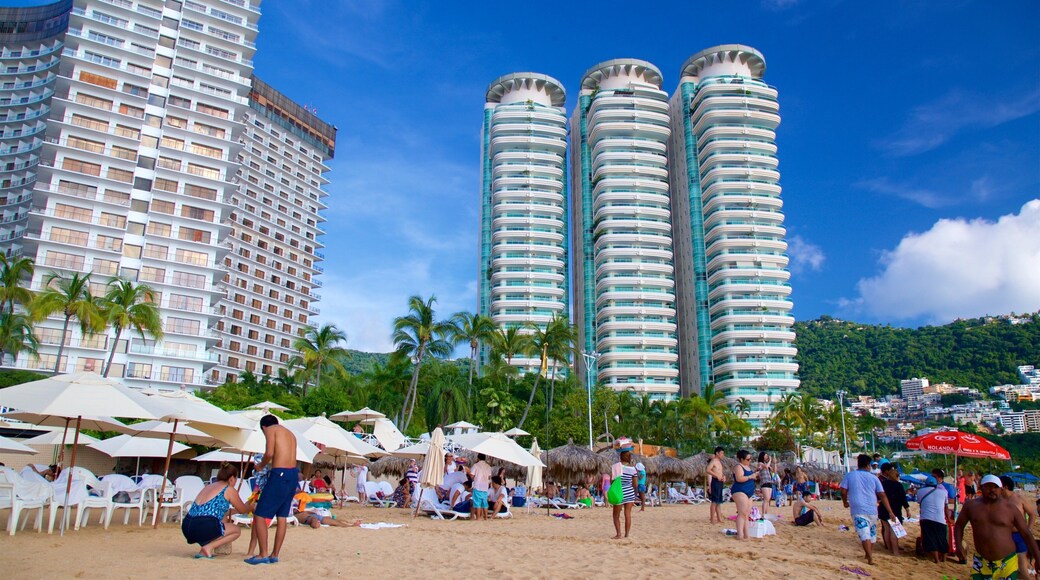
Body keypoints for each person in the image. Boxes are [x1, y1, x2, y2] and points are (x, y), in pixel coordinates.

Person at [955, 475, 1040, 579]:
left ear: (1001, 489)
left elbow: (1026, 534)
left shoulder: (1010, 509)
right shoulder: (971, 506)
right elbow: (959, 525)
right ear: (981, 488)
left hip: (1007, 562)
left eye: (995, 487)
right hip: (981, 561)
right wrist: (958, 545)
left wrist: (1038, 558)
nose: (992, 490)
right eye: (988, 487)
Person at [246, 414, 299, 566]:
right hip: (293, 474)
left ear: (263, 427)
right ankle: (274, 554)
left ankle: (263, 554)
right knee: (282, 516)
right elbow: (283, 455)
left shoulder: (270, 430)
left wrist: (260, 466)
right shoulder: (290, 434)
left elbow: (269, 453)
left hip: (280, 474)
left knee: (260, 514)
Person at [181, 464, 251, 559]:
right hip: (204, 525)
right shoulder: (229, 489)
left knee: (223, 519)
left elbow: (215, 512)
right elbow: (243, 510)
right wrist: (251, 507)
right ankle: (208, 548)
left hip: (187, 526)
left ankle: (206, 548)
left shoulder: (209, 486)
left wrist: (235, 511)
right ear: (231, 478)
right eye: (236, 479)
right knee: (236, 531)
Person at [840, 454, 895, 565]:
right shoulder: (874, 478)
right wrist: (890, 511)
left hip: (858, 508)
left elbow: (843, 490)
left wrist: (845, 502)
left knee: (864, 534)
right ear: (868, 465)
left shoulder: (850, 476)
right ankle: (868, 554)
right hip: (872, 509)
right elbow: (882, 495)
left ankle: (869, 557)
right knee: (871, 534)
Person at [1000, 476, 1039, 575]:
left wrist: (1028, 529)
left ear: (1005, 487)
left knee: (1022, 559)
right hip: (1005, 535)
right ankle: (1030, 573)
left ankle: (1028, 575)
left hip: (1019, 534)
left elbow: (1032, 514)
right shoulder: (999, 500)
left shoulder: (1019, 498)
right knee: (1007, 559)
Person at [916, 475, 951, 563]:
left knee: (931, 539)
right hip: (940, 519)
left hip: (926, 518)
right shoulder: (944, 492)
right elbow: (946, 507)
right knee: (942, 539)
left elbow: (921, 504)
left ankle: (936, 560)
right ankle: (944, 559)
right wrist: (948, 519)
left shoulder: (920, 491)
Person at [878, 462, 910, 555]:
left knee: (887, 530)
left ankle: (888, 549)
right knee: (894, 531)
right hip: (894, 510)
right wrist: (907, 510)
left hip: (883, 509)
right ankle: (895, 551)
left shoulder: (883, 484)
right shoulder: (898, 485)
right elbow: (903, 499)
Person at [610, 446, 638, 539]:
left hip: (619, 492)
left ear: (620, 456)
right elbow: (635, 484)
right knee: (628, 514)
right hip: (630, 492)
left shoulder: (616, 466)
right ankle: (627, 534)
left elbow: (612, 482)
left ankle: (618, 534)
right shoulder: (633, 468)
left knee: (616, 515)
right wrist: (633, 492)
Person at [731, 449, 759, 540]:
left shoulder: (748, 467)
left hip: (749, 492)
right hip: (740, 490)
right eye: (748, 459)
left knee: (746, 514)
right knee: (742, 513)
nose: (749, 460)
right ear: (742, 459)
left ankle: (747, 535)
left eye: (750, 459)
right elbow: (739, 478)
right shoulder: (738, 466)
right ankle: (740, 534)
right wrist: (750, 476)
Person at [707, 446, 726, 524]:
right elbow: (708, 469)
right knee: (714, 501)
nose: (723, 455)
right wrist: (716, 476)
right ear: (717, 453)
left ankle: (719, 518)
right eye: (722, 453)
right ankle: (712, 519)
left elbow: (720, 472)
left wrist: (723, 477)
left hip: (720, 482)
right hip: (715, 482)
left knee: (718, 501)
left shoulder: (719, 462)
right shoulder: (713, 461)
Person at [471, 453, 492, 521]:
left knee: (477, 503)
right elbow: (489, 477)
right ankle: (485, 517)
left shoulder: (475, 465)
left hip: (477, 485)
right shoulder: (488, 466)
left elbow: (472, 475)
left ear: (478, 458)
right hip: (485, 486)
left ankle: (478, 517)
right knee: (484, 503)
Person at [758, 451, 774, 517]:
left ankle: (766, 513)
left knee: (768, 499)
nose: (767, 457)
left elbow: (773, 470)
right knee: (766, 498)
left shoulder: (766, 464)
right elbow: (766, 466)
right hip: (764, 482)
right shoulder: (760, 463)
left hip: (769, 481)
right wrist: (770, 460)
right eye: (765, 455)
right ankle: (763, 514)